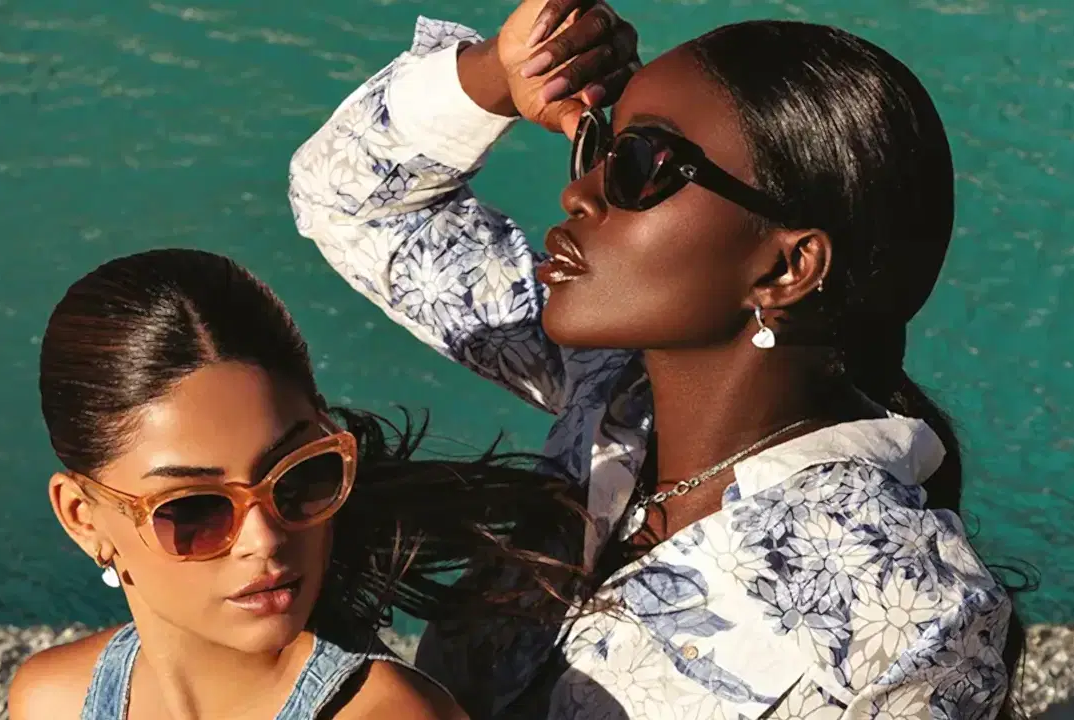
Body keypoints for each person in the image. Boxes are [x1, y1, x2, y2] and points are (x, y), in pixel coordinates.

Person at [288, 1, 1027, 718]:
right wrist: (501, 75)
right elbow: (349, 200)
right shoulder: (609, 388)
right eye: (600, 148)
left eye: (640, 164)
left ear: (786, 268)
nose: (577, 193)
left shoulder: (910, 624)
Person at [7, 248, 592, 720]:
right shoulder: (53, 701)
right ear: (83, 518)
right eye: (195, 509)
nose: (263, 538)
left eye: (299, 478)